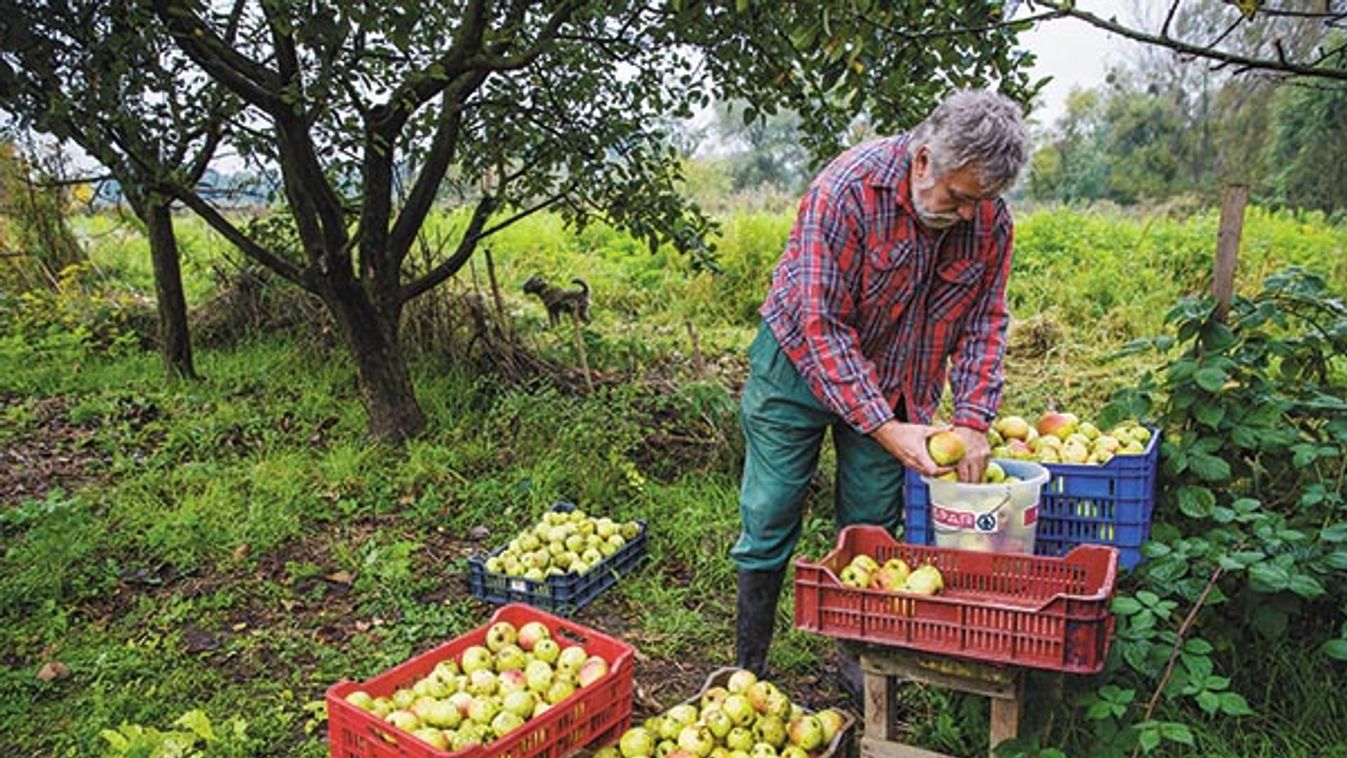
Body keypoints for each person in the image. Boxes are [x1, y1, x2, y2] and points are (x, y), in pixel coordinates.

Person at [732, 89, 1031, 679]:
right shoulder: (845, 191)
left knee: (871, 522)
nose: (971, 214)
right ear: (924, 162)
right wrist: (883, 424)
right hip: (796, 361)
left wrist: (971, 419)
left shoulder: (989, 220)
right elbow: (821, 324)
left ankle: (855, 661)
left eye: (984, 201)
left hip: (897, 374)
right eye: (961, 197)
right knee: (770, 508)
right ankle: (749, 666)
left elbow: (984, 322)